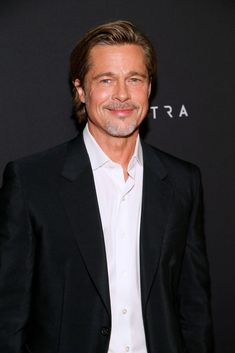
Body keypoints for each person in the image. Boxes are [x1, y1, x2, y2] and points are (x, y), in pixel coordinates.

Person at [0, 20, 213, 353]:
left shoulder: (183, 181)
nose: (122, 94)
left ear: (149, 88)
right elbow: (9, 315)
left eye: (134, 79)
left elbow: (195, 307)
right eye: (106, 80)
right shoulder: (31, 181)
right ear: (81, 90)